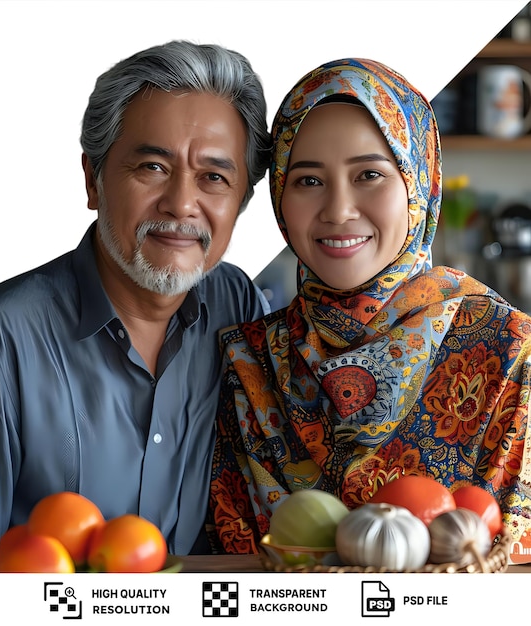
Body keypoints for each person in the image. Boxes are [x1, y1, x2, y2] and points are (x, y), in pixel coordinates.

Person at [0, 39, 272, 558]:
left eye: (214, 177)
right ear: (93, 180)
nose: (181, 204)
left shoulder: (238, 307)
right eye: (152, 167)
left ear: (241, 202)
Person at [207, 58, 531, 554]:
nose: (338, 210)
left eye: (370, 175)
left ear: (418, 186)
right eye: (308, 180)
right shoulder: (246, 363)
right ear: (278, 196)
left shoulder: (511, 355)